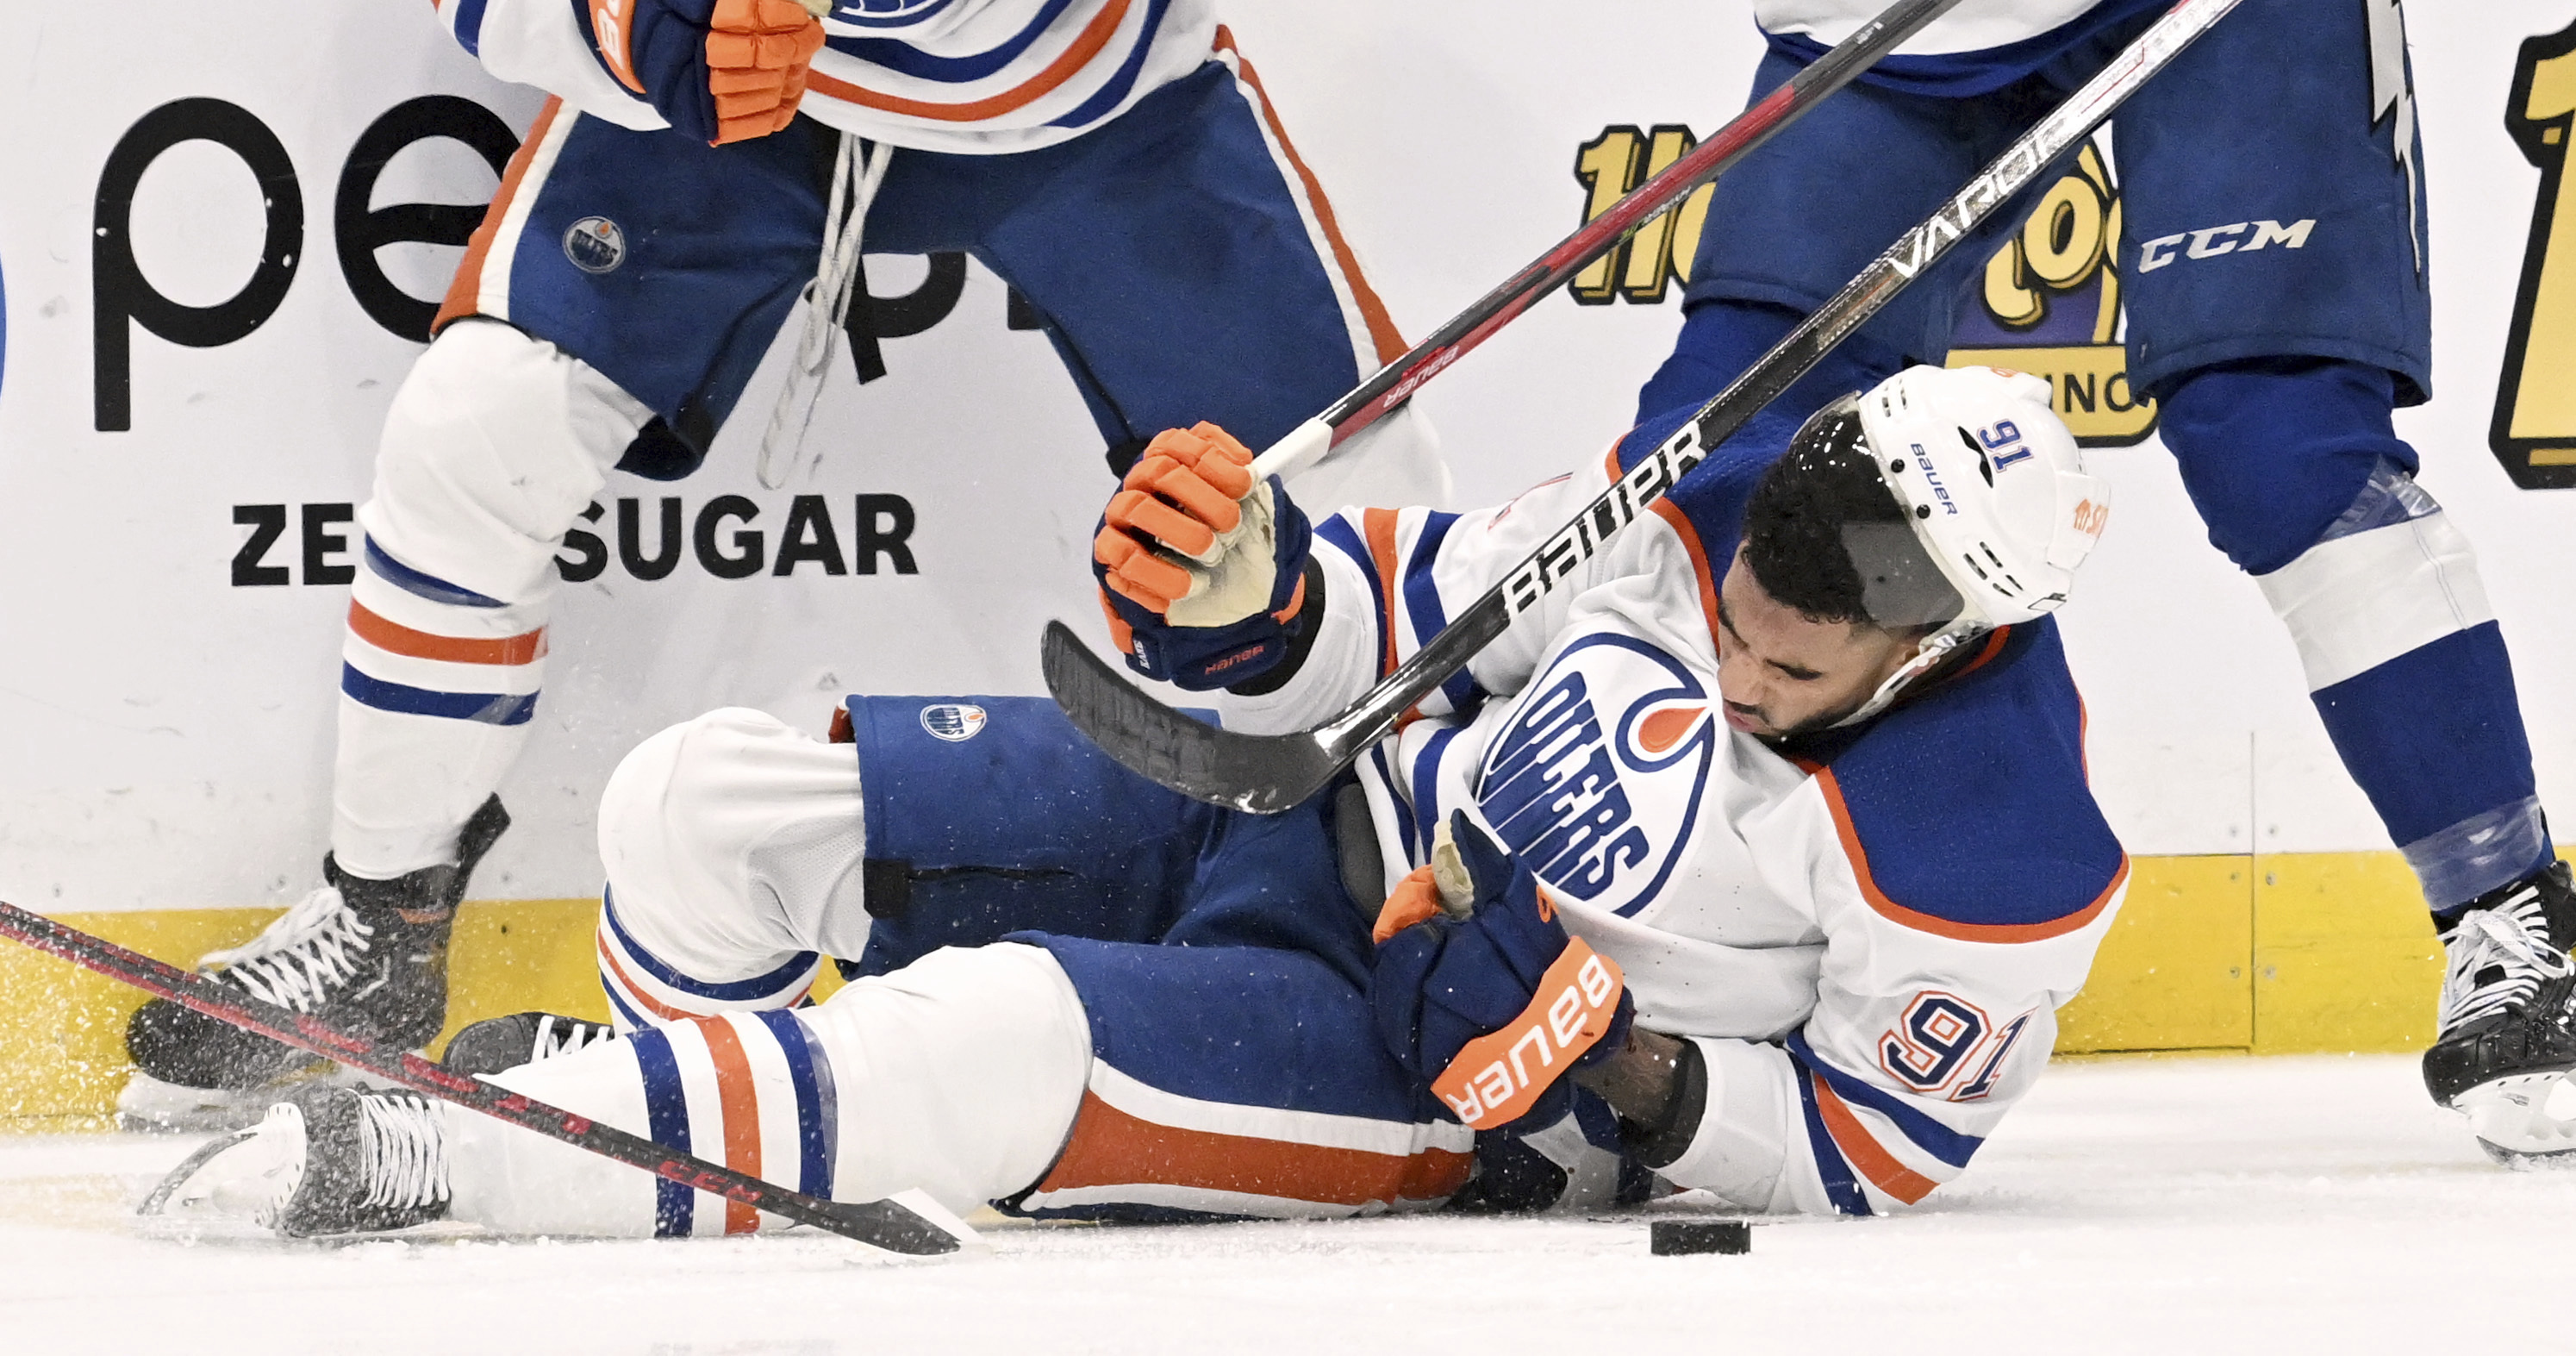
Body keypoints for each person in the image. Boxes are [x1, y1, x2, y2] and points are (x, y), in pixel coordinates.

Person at [159, 363, 2133, 1235]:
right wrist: (1255, 584)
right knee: (708, 801)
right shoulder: (1690, 516)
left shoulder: (2000, 856)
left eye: (1786, 673)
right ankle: (708, 1119)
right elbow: (1397, 611)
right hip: (1292, 814)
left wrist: (1618, 1071)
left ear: (1947, 640)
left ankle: (466, 1154)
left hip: (1421, 1052)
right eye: (1730, 627)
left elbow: (1874, 1151)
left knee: (986, 1041)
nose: (1734, 663)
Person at [119, 0, 1447, 1118]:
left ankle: (1438, 936)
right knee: (478, 429)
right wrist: (635, 25)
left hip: (1094, 95)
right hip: (738, 114)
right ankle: (378, 922)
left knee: (1361, 510)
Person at [1629, 0, 2573, 1158]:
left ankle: (2503, 918)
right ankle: (1665, 889)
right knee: (1716, 446)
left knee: (2279, 449)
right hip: (1894, 19)